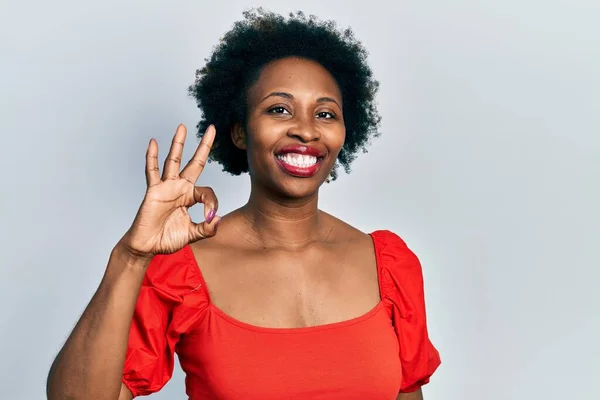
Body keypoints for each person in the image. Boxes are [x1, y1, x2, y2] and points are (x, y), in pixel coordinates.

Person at [46, 8, 441, 400]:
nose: (305, 129)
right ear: (239, 132)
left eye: (325, 113)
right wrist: (131, 256)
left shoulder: (389, 265)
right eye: (278, 109)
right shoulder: (183, 270)